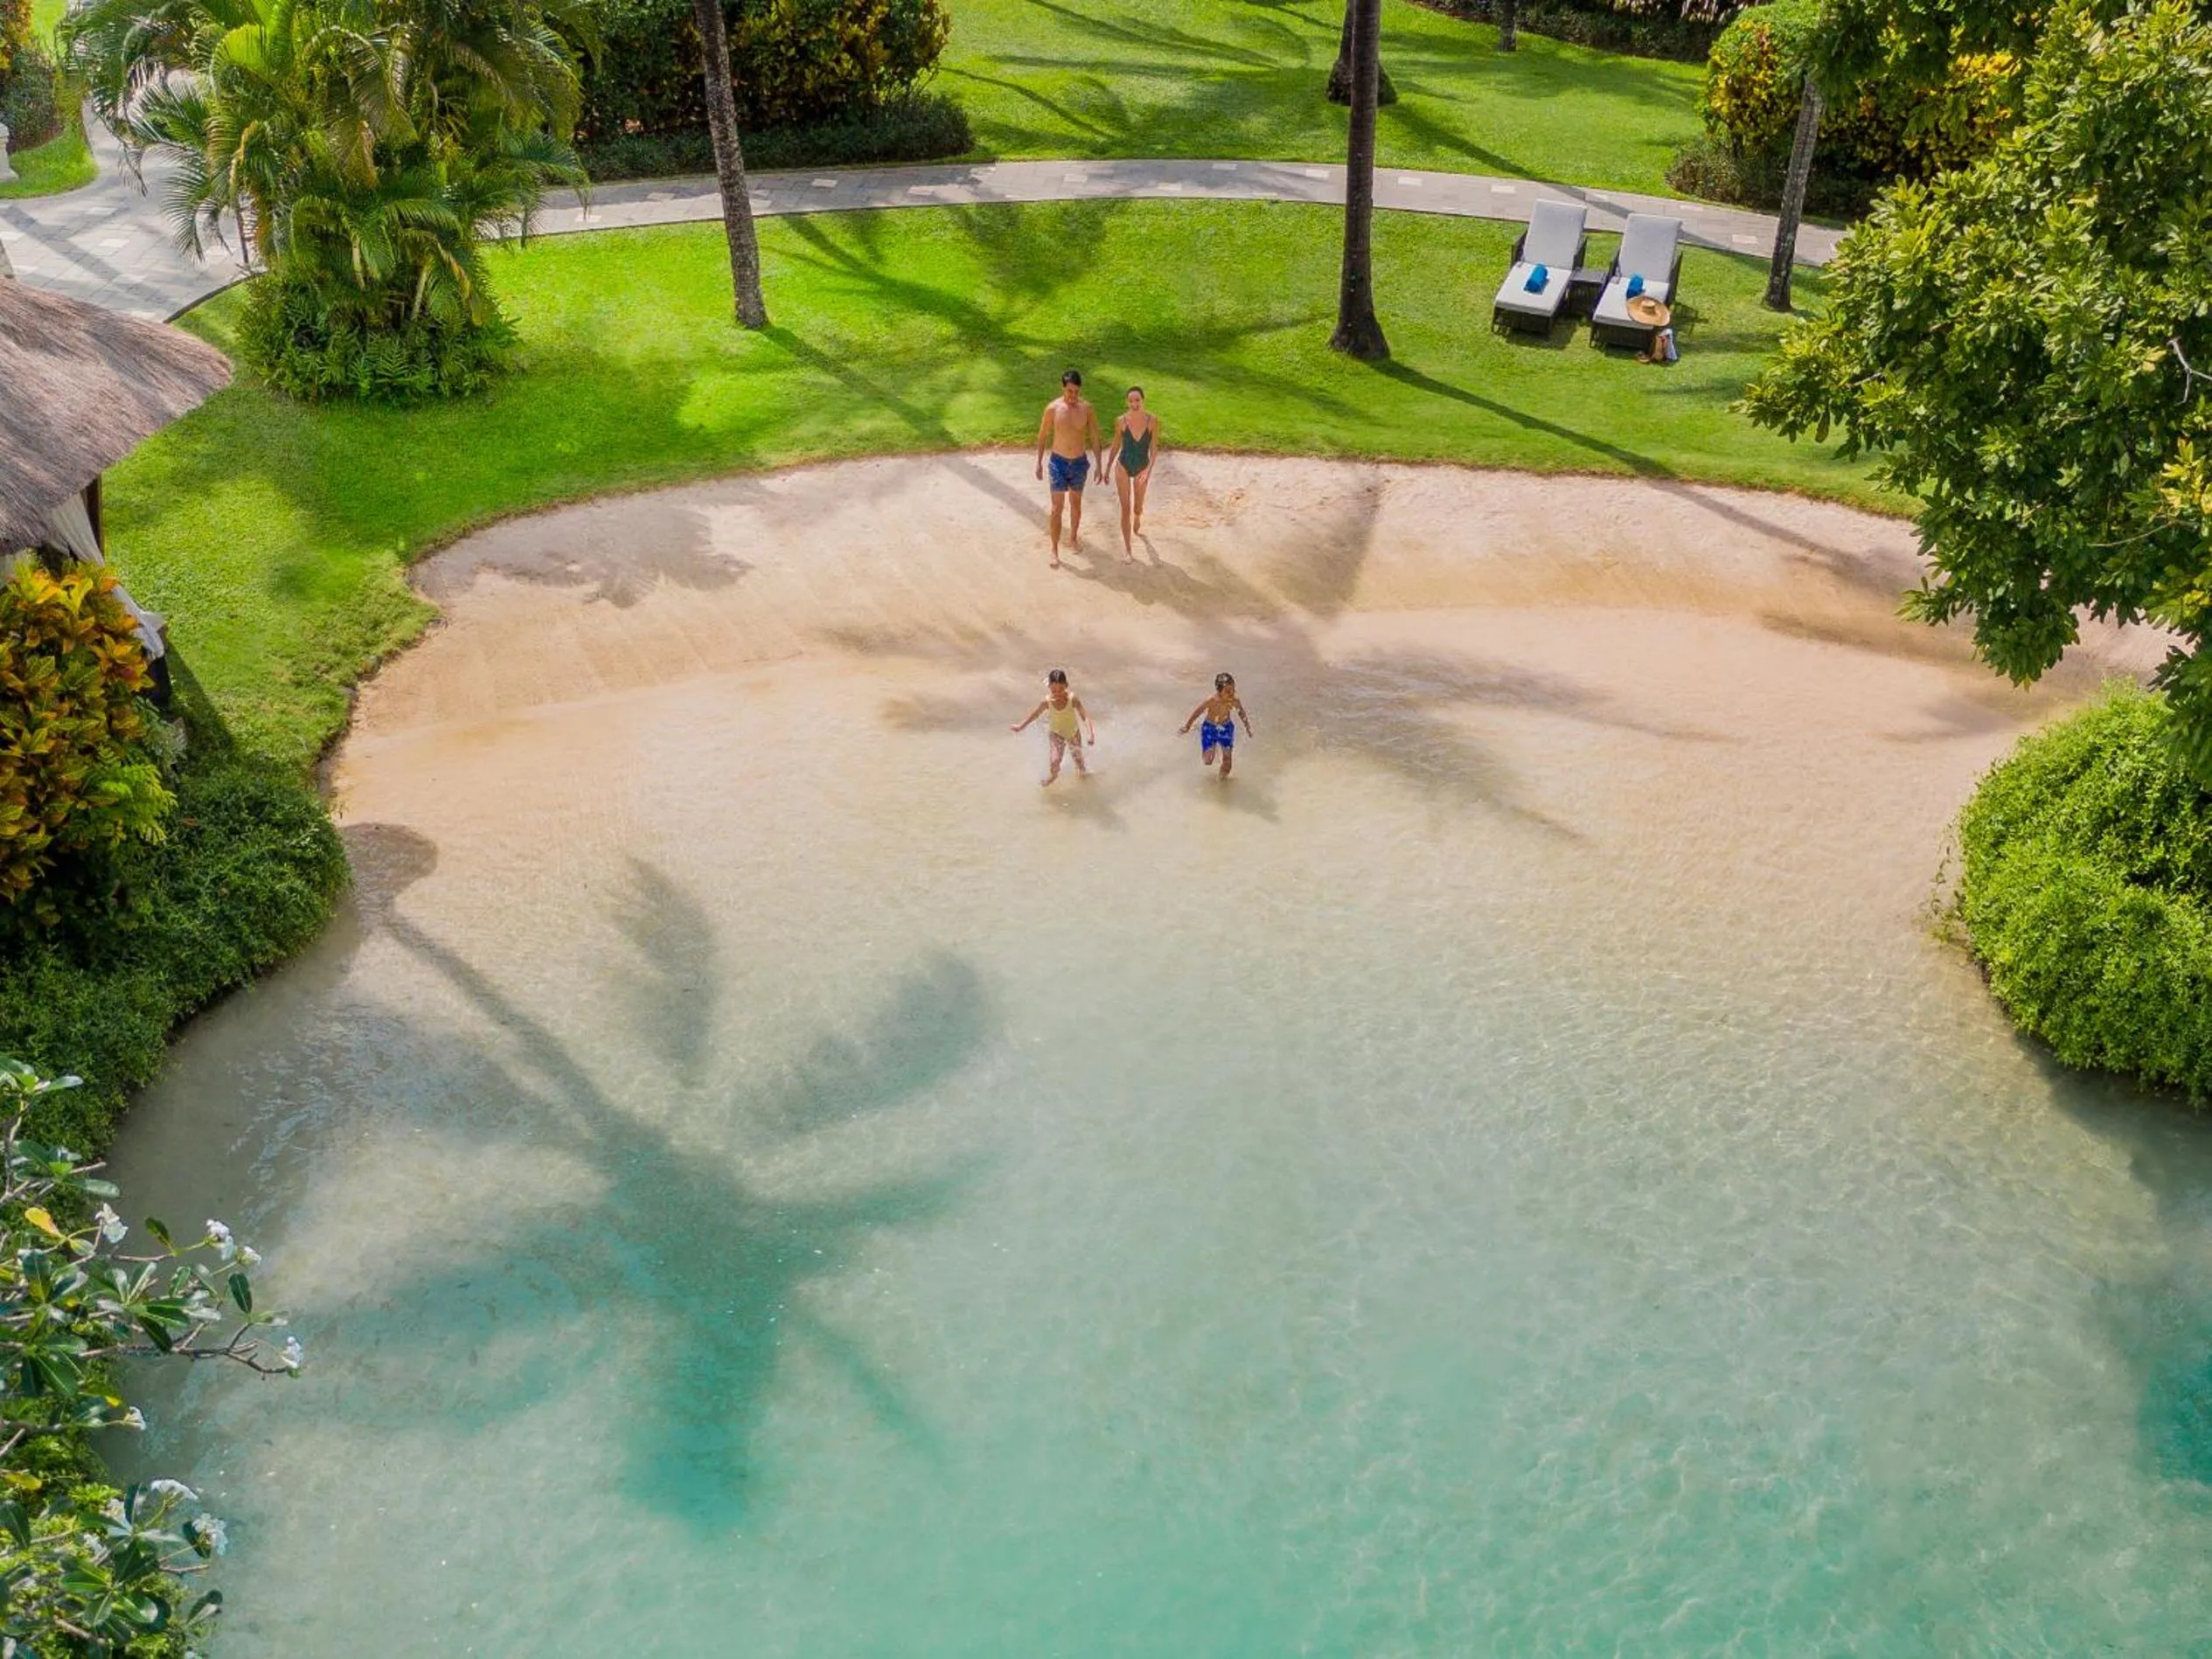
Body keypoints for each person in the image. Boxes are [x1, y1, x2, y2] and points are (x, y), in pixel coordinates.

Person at [1034, 369, 1102, 568]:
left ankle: (1073, 538)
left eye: (1077, 392)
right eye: (1070, 391)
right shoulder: (1053, 409)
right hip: (1058, 463)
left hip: (1079, 463)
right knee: (1056, 508)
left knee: (1076, 504)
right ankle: (1054, 549)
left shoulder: (1087, 409)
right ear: (1063, 388)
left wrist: (1099, 464)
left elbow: (1095, 437)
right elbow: (1042, 435)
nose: (1073, 396)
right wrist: (1038, 462)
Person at [1100, 385, 1161, 564]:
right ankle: (1128, 549)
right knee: (1125, 508)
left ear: (1143, 400)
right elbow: (1116, 445)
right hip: (1123, 466)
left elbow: (1154, 448)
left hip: (1142, 467)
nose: (1134, 403)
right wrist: (1107, 467)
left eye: (1137, 400)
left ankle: (1138, 515)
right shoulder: (1121, 421)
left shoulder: (1152, 421)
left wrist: (1148, 470)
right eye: (1131, 400)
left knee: (1137, 506)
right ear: (1127, 402)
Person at [1010, 668, 1096, 786]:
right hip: (1056, 734)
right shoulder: (1046, 702)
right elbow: (1035, 714)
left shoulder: (1073, 699)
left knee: (1079, 763)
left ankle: (1085, 782)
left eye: (1061, 689)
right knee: (1055, 761)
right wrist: (1021, 726)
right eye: (1054, 690)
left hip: (1073, 732)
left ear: (1066, 685)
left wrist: (1091, 734)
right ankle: (1053, 777)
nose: (1057, 693)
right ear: (1049, 686)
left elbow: (1085, 717)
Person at [1179, 672, 1254, 780]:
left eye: (1233, 689)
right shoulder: (1211, 700)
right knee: (1208, 761)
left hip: (1226, 727)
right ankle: (1199, 728)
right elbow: (1198, 712)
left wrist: (1247, 727)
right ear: (1219, 691)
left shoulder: (1234, 701)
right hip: (1209, 727)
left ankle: (1221, 783)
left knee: (1228, 759)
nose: (1231, 693)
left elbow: (1241, 712)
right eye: (1228, 691)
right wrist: (1187, 726)